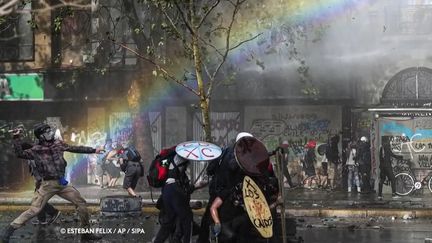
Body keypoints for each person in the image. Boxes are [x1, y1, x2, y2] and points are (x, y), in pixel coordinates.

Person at [1, 123, 104, 242]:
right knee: (34, 210)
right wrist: (16, 138)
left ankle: (86, 233)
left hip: (62, 184)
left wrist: (94, 150)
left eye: (50, 131)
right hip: (47, 185)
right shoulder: (36, 150)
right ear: (41, 136)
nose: (50, 133)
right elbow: (19, 154)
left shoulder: (58, 144)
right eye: (47, 132)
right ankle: (9, 229)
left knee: (81, 203)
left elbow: (74, 148)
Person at [154, 153, 194, 243]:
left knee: (169, 221)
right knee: (187, 219)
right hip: (174, 193)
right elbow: (183, 190)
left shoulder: (167, 161)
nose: (187, 166)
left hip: (166, 193)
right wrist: (195, 186)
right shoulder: (179, 165)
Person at [20, 142, 61, 225]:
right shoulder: (32, 156)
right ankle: (42, 219)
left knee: (37, 200)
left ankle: (53, 212)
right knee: (38, 199)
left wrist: (39, 182)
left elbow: (40, 170)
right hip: (41, 180)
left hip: (42, 181)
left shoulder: (33, 157)